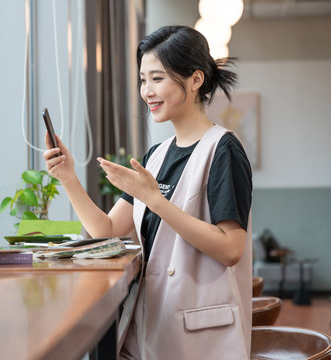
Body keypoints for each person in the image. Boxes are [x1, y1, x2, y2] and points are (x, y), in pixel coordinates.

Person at [43, 25, 252, 359]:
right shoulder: (156, 155)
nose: (147, 91)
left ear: (195, 79)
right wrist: (68, 177)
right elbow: (106, 231)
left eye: (157, 78)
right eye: (143, 79)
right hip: (150, 325)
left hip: (199, 336)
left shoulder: (223, 148)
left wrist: (155, 200)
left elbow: (230, 248)